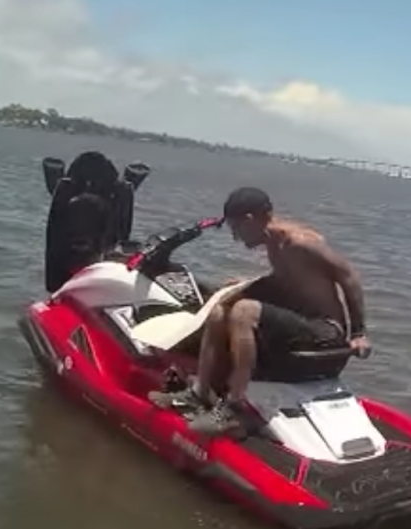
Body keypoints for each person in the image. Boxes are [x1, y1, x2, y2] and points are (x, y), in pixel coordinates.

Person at [150, 187, 372, 436]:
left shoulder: (299, 243)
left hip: (326, 332)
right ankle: (200, 392)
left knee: (245, 311)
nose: (236, 237)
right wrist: (243, 287)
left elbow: (349, 275)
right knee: (221, 309)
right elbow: (286, 282)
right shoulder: (275, 245)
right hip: (301, 325)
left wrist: (359, 332)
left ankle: (235, 407)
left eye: (236, 229)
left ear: (250, 220)